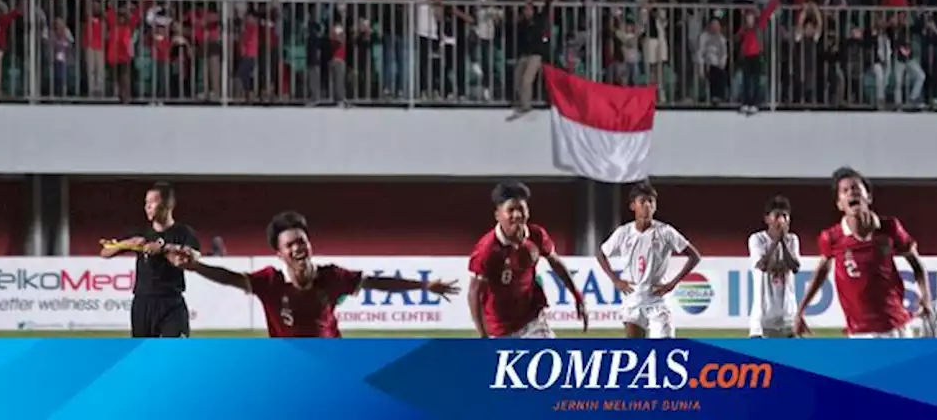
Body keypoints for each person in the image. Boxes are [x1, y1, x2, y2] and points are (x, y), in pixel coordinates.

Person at [165, 211, 459, 337]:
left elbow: (376, 282)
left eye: (302, 241)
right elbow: (230, 277)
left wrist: (424, 285)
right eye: (290, 244)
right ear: (279, 253)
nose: (298, 248)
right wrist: (195, 266)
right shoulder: (269, 282)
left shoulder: (332, 277)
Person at [794, 167, 931, 338]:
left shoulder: (890, 228)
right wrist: (801, 310)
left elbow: (916, 264)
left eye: (856, 188)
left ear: (869, 197)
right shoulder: (831, 237)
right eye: (845, 191)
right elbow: (822, 270)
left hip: (896, 326)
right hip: (859, 333)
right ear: (839, 204)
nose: (851, 192)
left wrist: (926, 297)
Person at [468, 181, 588, 338]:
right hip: (499, 328)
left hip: (532, 318)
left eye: (521, 209)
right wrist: (483, 336)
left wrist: (577, 295)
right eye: (510, 210)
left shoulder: (536, 235)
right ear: (498, 215)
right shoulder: (487, 250)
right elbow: (474, 293)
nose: (517, 215)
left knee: (550, 358)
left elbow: (556, 263)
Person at [595, 180, 702, 339]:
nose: (647, 206)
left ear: (655, 206)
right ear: (633, 206)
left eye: (651, 201)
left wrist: (672, 283)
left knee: (663, 350)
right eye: (642, 201)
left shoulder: (666, 232)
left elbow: (695, 256)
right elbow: (601, 253)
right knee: (636, 349)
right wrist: (615, 280)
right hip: (633, 298)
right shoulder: (623, 232)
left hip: (657, 300)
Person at [99, 182, 200, 338]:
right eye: (146, 203)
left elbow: (194, 256)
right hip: (143, 302)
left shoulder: (183, 232)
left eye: (152, 202)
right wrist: (128, 243)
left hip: (171, 302)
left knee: (175, 353)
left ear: (168, 205)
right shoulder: (140, 232)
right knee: (143, 356)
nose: (147, 207)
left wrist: (164, 247)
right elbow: (105, 252)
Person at [747, 196, 800, 338]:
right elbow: (762, 265)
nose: (781, 220)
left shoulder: (792, 240)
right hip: (763, 316)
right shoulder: (757, 239)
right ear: (767, 219)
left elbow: (795, 267)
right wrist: (776, 240)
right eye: (777, 216)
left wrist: (783, 240)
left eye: (785, 216)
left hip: (787, 314)